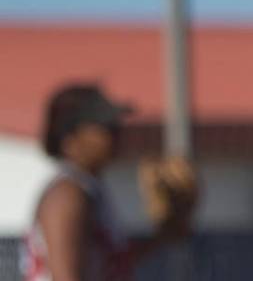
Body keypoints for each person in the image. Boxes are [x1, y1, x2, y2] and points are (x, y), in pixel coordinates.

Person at [21, 84, 197, 281]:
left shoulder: (89, 189)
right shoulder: (68, 195)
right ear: (70, 138)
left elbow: (110, 263)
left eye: (114, 126)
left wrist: (162, 236)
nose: (114, 134)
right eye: (104, 127)